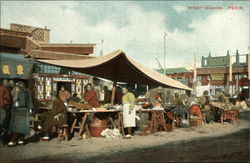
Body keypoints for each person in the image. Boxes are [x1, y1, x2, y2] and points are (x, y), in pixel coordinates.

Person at [0, 80, 11, 146]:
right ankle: (1, 141)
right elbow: (8, 98)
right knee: (2, 123)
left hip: (2, 107)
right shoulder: (4, 88)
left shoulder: (3, 88)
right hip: (2, 107)